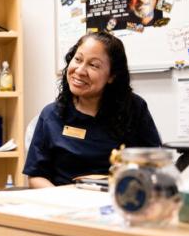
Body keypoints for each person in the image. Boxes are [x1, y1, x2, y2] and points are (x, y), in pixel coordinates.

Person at [23, 31, 161, 188]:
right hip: (65, 204)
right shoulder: (51, 115)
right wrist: (63, 202)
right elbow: (36, 176)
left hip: (119, 202)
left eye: (93, 65)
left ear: (112, 76)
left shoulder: (134, 109)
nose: (80, 71)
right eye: (78, 59)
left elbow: (154, 165)